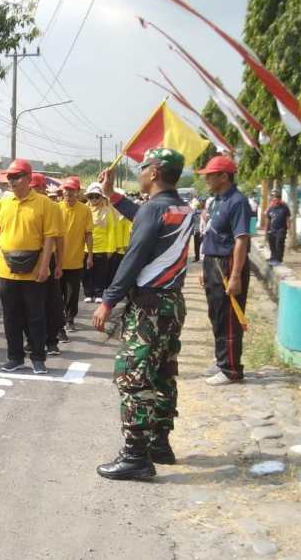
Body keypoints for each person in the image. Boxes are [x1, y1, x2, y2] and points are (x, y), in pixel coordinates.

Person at [92, 148, 193, 481]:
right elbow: (146, 219)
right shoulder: (182, 208)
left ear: (155, 172)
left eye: (143, 166)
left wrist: (108, 300)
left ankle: (136, 455)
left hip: (148, 306)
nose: (140, 172)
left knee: (133, 377)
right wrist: (112, 195)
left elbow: (133, 258)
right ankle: (159, 444)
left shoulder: (154, 209)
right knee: (163, 373)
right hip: (171, 304)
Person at [0, 159, 60, 374]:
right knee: (10, 317)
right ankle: (15, 357)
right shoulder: (2, 204)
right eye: (9, 177)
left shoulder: (45, 204)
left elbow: (50, 238)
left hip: (34, 270)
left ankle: (38, 358)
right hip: (6, 269)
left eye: (16, 177)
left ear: (29, 178)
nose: (12, 181)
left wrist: (45, 266)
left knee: (36, 316)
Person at [198, 155, 252, 386]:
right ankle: (222, 359)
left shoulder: (238, 202)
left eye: (210, 175)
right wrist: (204, 266)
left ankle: (231, 369)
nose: (206, 180)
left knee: (229, 317)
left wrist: (236, 275)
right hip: (213, 262)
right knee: (216, 315)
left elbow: (241, 240)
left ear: (224, 177)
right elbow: (210, 235)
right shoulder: (217, 201)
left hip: (228, 264)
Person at [30, 172, 67, 354]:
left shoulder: (53, 207)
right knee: (30, 302)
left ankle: (52, 340)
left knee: (51, 301)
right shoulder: (23, 205)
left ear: (43, 188)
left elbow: (59, 239)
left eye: (35, 187)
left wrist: (59, 264)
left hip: (48, 259)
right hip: (27, 260)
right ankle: (32, 340)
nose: (32, 190)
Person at [58, 176, 93, 332]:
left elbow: (88, 234)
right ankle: (58, 320)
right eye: (66, 189)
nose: (68, 192)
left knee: (72, 294)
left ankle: (70, 319)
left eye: (72, 190)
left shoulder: (85, 210)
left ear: (78, 192)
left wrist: (90, 255)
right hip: (57, 260)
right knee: (57, 294)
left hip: (76, 260)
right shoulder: (56, 208)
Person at [84, 182, 118, 303]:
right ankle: (88, 293)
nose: (94, 199)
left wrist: (110, 249)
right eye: (91, 196)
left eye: (96, 196)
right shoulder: (84, 210)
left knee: (100, 272)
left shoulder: (108, 211)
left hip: (102, 247)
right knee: (87, 272)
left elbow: (111, 231)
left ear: (101, 197)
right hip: (86, 248)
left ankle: (99, 293)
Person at [264, 190, 290, 265]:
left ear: (279, 199)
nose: (275, 199)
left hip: (281, 229)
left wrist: (288, 225)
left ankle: (278, 259)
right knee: (272, 244)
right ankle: (273, 257)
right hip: (272, 229)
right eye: (273, 198)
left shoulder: (284, 207)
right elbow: (267, 218)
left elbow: (288, 217)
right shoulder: (270, 208)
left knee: (279, 244)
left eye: (276, 198)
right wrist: (267, 229)